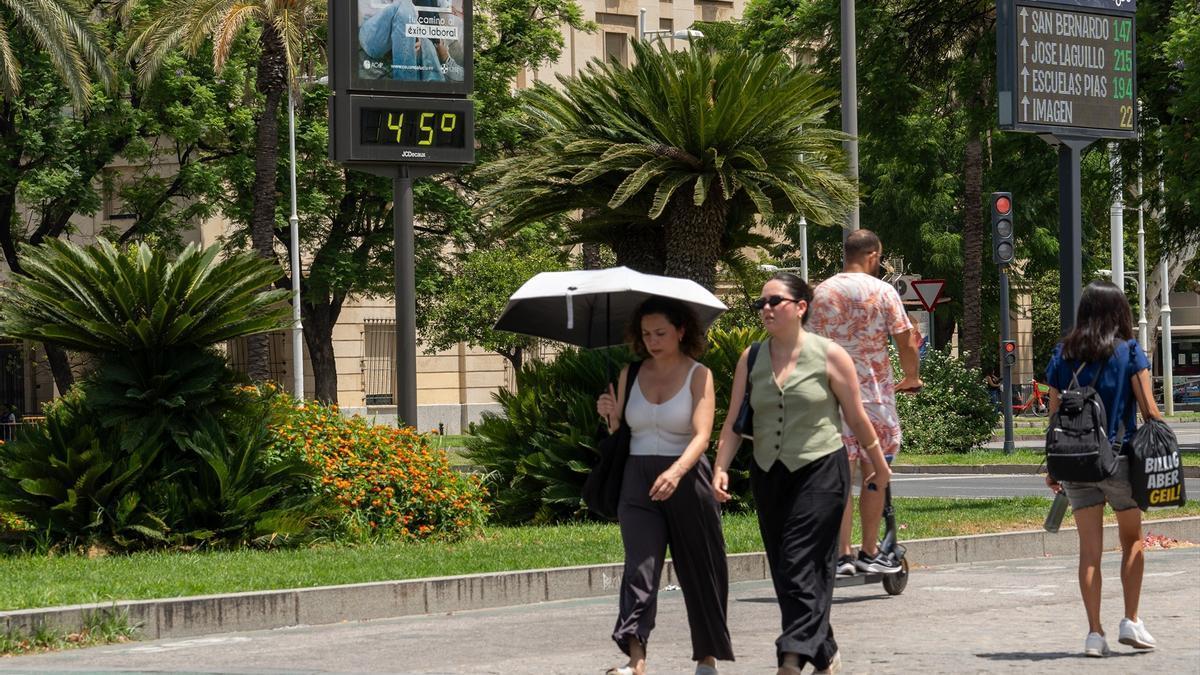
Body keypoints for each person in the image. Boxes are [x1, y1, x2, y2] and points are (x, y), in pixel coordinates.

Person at [712, 273, 893, 675]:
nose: (766, 309)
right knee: (785, 570)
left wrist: (878, 464)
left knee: (799, 561)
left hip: (820, 472)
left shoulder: (830, 355)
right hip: (768, 474)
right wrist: (720, 467)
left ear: (800, 307)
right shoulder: (752, 357)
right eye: (760, 303)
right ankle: (824, 653)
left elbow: (857, 418)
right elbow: (734, 422)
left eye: (774, 301)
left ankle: (791, 660)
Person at [595, 296, 733, 675]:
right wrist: (609, 415)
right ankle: (636, 660)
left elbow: (702, 435)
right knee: (639, 568)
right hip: (637, 482)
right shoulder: (631, 373)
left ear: (680, 331)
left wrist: (676, 472)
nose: (652, 340)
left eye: (660, 332)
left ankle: (706, 657)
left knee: (700, 568)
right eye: (645, 334)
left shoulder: (699, 374)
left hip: (687, 477)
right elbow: (621, 433)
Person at [1043, 280, 1162, 658]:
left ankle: (1094, 633)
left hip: (1076, 463)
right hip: (1120, 459)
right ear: (1120, 311)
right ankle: (1131, 619)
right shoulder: (1129, 351)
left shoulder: (1063, 354)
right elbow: (1149, 410)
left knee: (1089, 551)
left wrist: (1053, 466)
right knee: (1132, 540)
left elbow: (1054, 416)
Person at [807, 229, 921, 577]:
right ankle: (870, 551)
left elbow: (808, 346)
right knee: (876, 471)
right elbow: (906, 342)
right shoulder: (883, 292)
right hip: (874, 399)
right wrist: (911, 377)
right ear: (873, 255)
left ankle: (841, 556)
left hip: (831, 400)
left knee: (839, 475)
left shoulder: (821, 292)